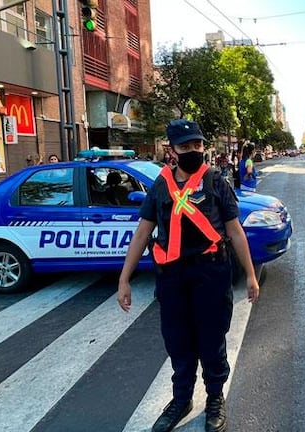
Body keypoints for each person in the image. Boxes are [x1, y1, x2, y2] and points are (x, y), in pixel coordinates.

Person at [118, 119, 260, 432]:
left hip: (211, 273)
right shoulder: (160, 184)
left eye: (197, 145)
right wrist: (124, 278)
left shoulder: (215, 181)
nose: (193, 151)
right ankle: (181, 399)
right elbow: (143, 231)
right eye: (186, 147)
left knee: (211, 341)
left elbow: (235, 231)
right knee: (178, 342)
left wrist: (250, 274)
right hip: (172, 278)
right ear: (172, 150)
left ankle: (214, 398)